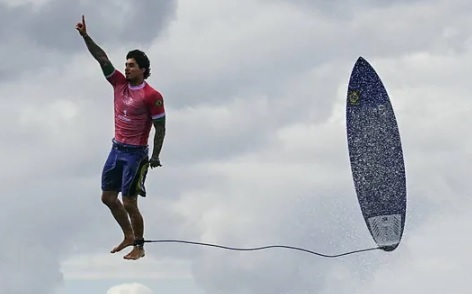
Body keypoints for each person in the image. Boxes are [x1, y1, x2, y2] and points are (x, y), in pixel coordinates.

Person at [75, 15, 166, 260]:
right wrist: (85, 36)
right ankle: (127, 235)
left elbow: (161, 127)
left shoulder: (152, 95)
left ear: (143, 70)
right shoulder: (118, 84)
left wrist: (155, 156)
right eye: (126, 64)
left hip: (136, 154)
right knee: (107, 197)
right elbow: (102, 58)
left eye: (132, 65)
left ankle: (139, 245)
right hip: (116, 149)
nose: (126, 68)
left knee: (129, 202)